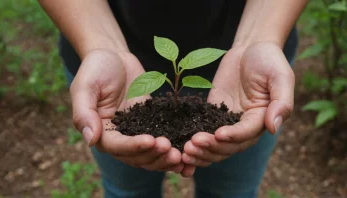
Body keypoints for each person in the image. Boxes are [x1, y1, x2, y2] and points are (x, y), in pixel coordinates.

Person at [39, 0, 308, 197]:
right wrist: (99, 45)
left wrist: (260, 38)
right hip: (101, 50)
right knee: (126, 192)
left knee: (232, 192)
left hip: (247, 68)